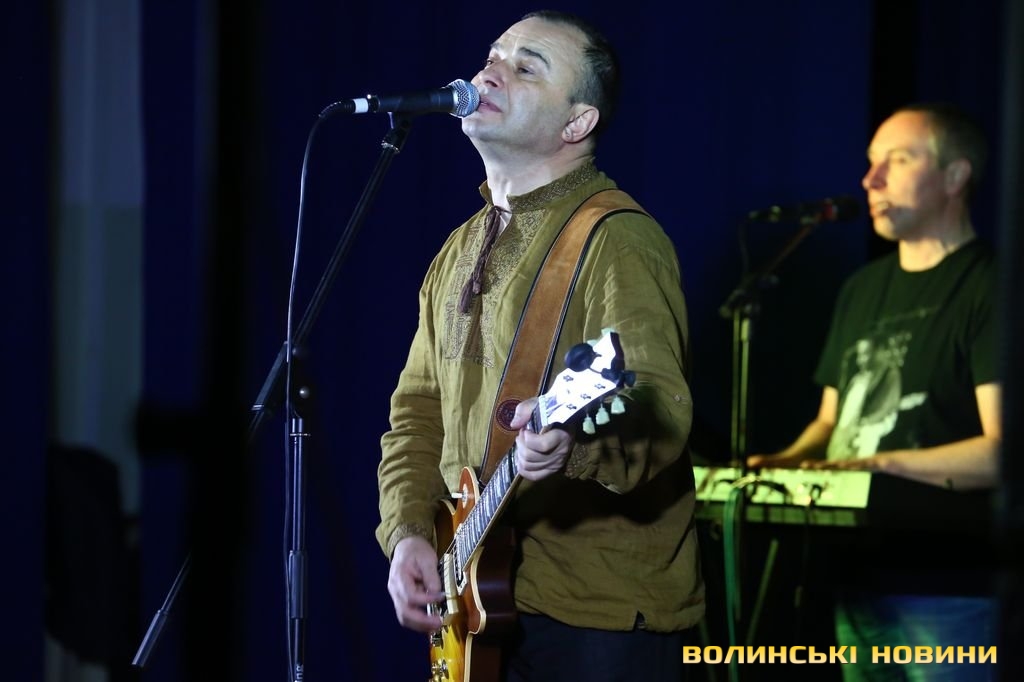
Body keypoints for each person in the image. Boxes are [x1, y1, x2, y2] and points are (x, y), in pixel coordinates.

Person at [375, 9, 704, 682]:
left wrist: (571, 445)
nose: (491, 71)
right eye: (494, 56)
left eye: (527, 67)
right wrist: (407, 534)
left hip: (598, 617)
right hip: (481, 599)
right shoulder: (459, 247)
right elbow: (416, 413)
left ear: (577, 124)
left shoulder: (620, 239)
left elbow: (659, 408)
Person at [747, 102, 1000, 681]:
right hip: (854, 580)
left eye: (899, 160)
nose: (871, 180)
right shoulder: (862, 288)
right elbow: (829, 423)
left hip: (949, 589)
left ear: (955, 176)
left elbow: (1002, 451)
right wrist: (786, 463)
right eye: (870, 162)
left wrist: (879, 465)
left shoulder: (991, 284)